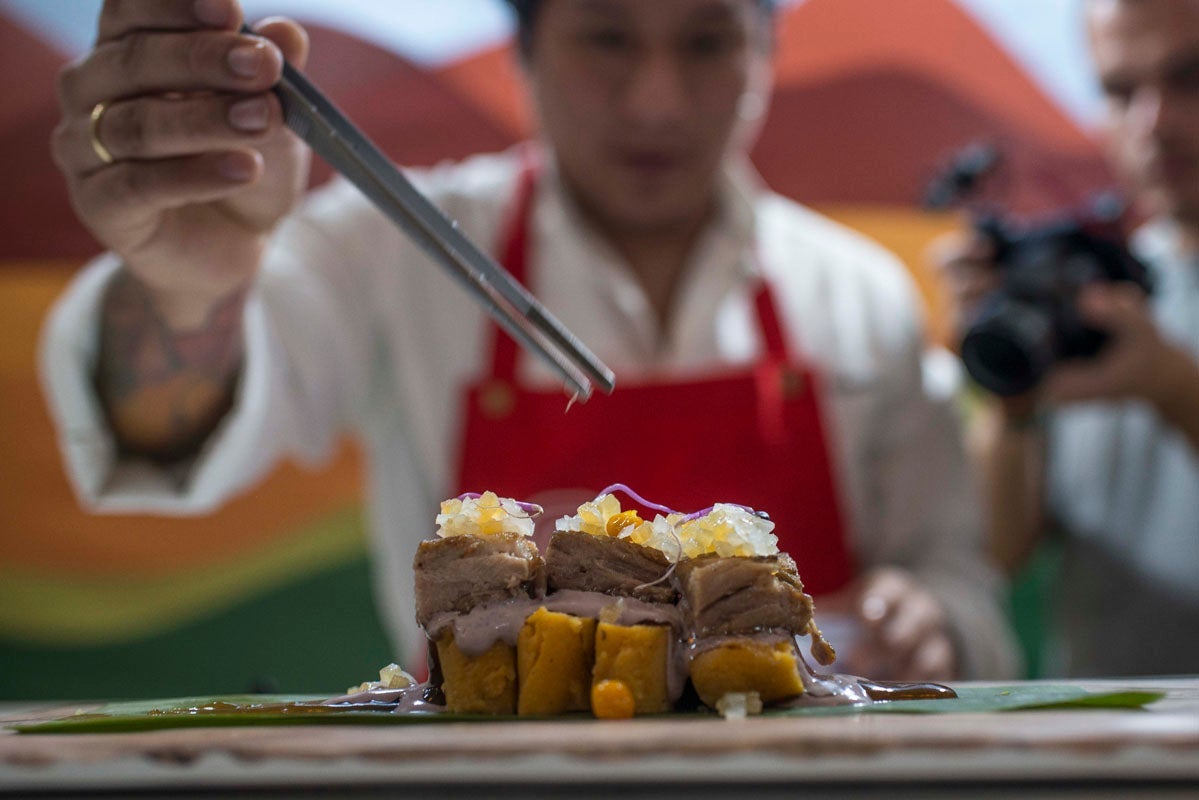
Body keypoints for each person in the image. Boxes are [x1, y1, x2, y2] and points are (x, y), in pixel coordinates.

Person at [41, 0, 1018, 680]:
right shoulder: (395, 249)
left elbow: (955, 579)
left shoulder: (856, 294)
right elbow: (172, 431)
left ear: (765, 50)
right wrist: (190, 285)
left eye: (707, 41)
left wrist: (936, 624)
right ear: (525, 51)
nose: (655, 100)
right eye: (604, 36)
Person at [936, 0, 1199, 676]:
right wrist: (1008, 393)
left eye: (1189, 78)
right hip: (1102, 757)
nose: (1154, 122)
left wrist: (1172, 389)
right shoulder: (1098, 293)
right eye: (1118, 90)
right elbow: (998, 549)